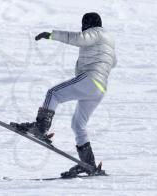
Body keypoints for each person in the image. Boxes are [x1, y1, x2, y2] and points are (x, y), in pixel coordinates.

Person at [10, 12, 117, 177]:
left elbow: (79, 38)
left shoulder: (95, 32)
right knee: (78, 125)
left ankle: (41, 128)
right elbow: (113, 62)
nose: (82, 28)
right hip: (100, 88)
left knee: (53, 94)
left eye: (83, 25)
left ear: (88, 24)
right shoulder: (108, 40)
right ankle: (88, 163)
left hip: (90, 80)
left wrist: (52, 35)